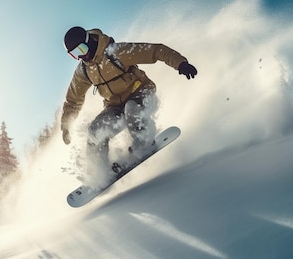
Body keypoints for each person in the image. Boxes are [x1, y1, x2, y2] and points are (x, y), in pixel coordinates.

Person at [60, 26, 197, 180]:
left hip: (141, 93)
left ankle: (143, 144)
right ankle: (99, 171)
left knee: (132, 110)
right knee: (94, 130)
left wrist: (180, 63)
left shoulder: (116, 52)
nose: (81, 56)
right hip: (115, 106)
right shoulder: (84, 70)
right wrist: (66, 126)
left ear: (89, 41)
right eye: (75, 54)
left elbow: (155, 51)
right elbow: (73, 99)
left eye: (82, 49)